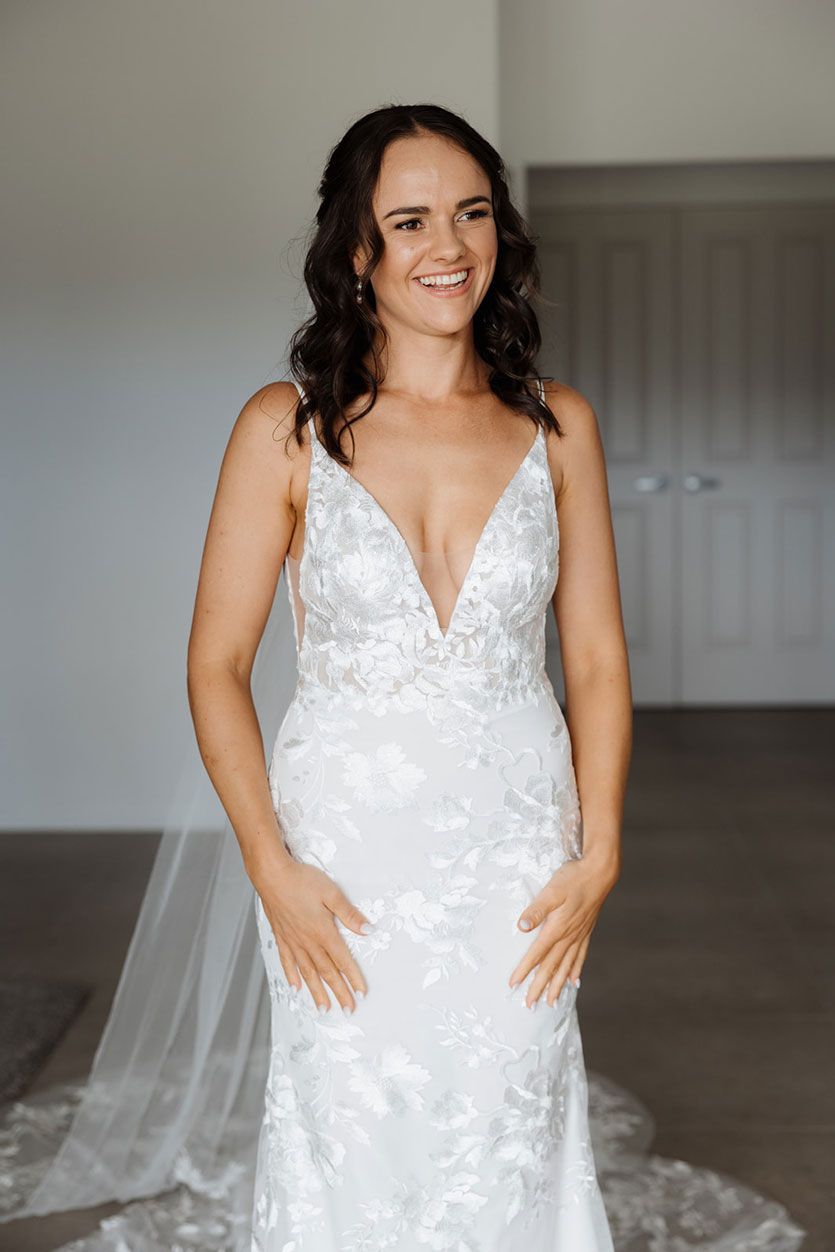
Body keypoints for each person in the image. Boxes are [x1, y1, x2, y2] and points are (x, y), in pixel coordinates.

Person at [0, 103, 807, 1252]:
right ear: (356, 251)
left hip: (517, 843)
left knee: (511, 1111)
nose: (449, 245)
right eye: (411, 219)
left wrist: (601, 849)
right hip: (342, 848)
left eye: (471, 213)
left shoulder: (558, 427)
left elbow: (594, 658)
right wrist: (271, 866)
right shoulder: (285, 429)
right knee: (353, 1124)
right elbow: (215, 664)